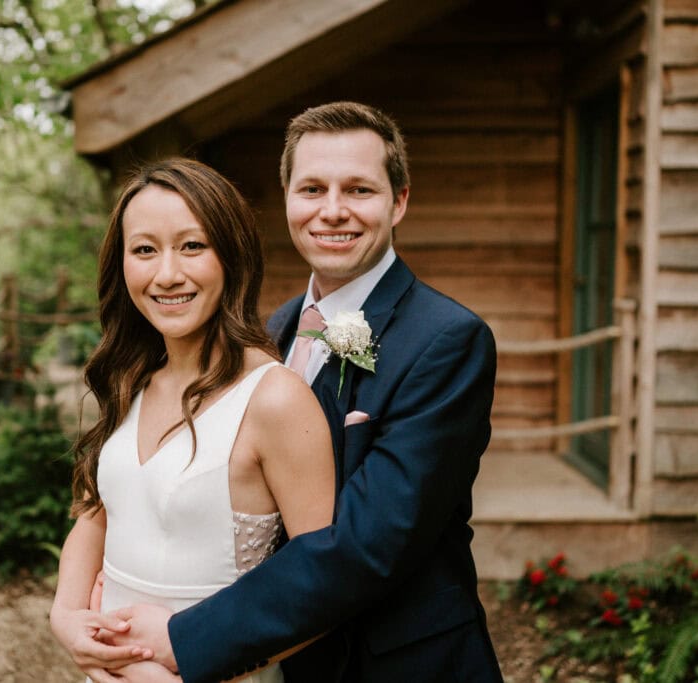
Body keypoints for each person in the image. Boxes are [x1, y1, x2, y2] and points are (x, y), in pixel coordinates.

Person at [88, 101, 505, 682]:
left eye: (359, 190)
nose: (332, 211)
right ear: (287, 199)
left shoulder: (448, 342)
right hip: (281, 657)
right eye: (311, 189)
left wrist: (184, 635)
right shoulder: (272, 331)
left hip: (396, 663)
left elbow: (368, 546)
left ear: (399, 200)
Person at [49, 158, 336, 682]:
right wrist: (66, 617)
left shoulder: (275, 399)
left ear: (231, 256)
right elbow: (96, 511)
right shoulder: (129, 377)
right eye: (144, 249)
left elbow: (323, 590)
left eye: (191, 245)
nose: (167, 273)